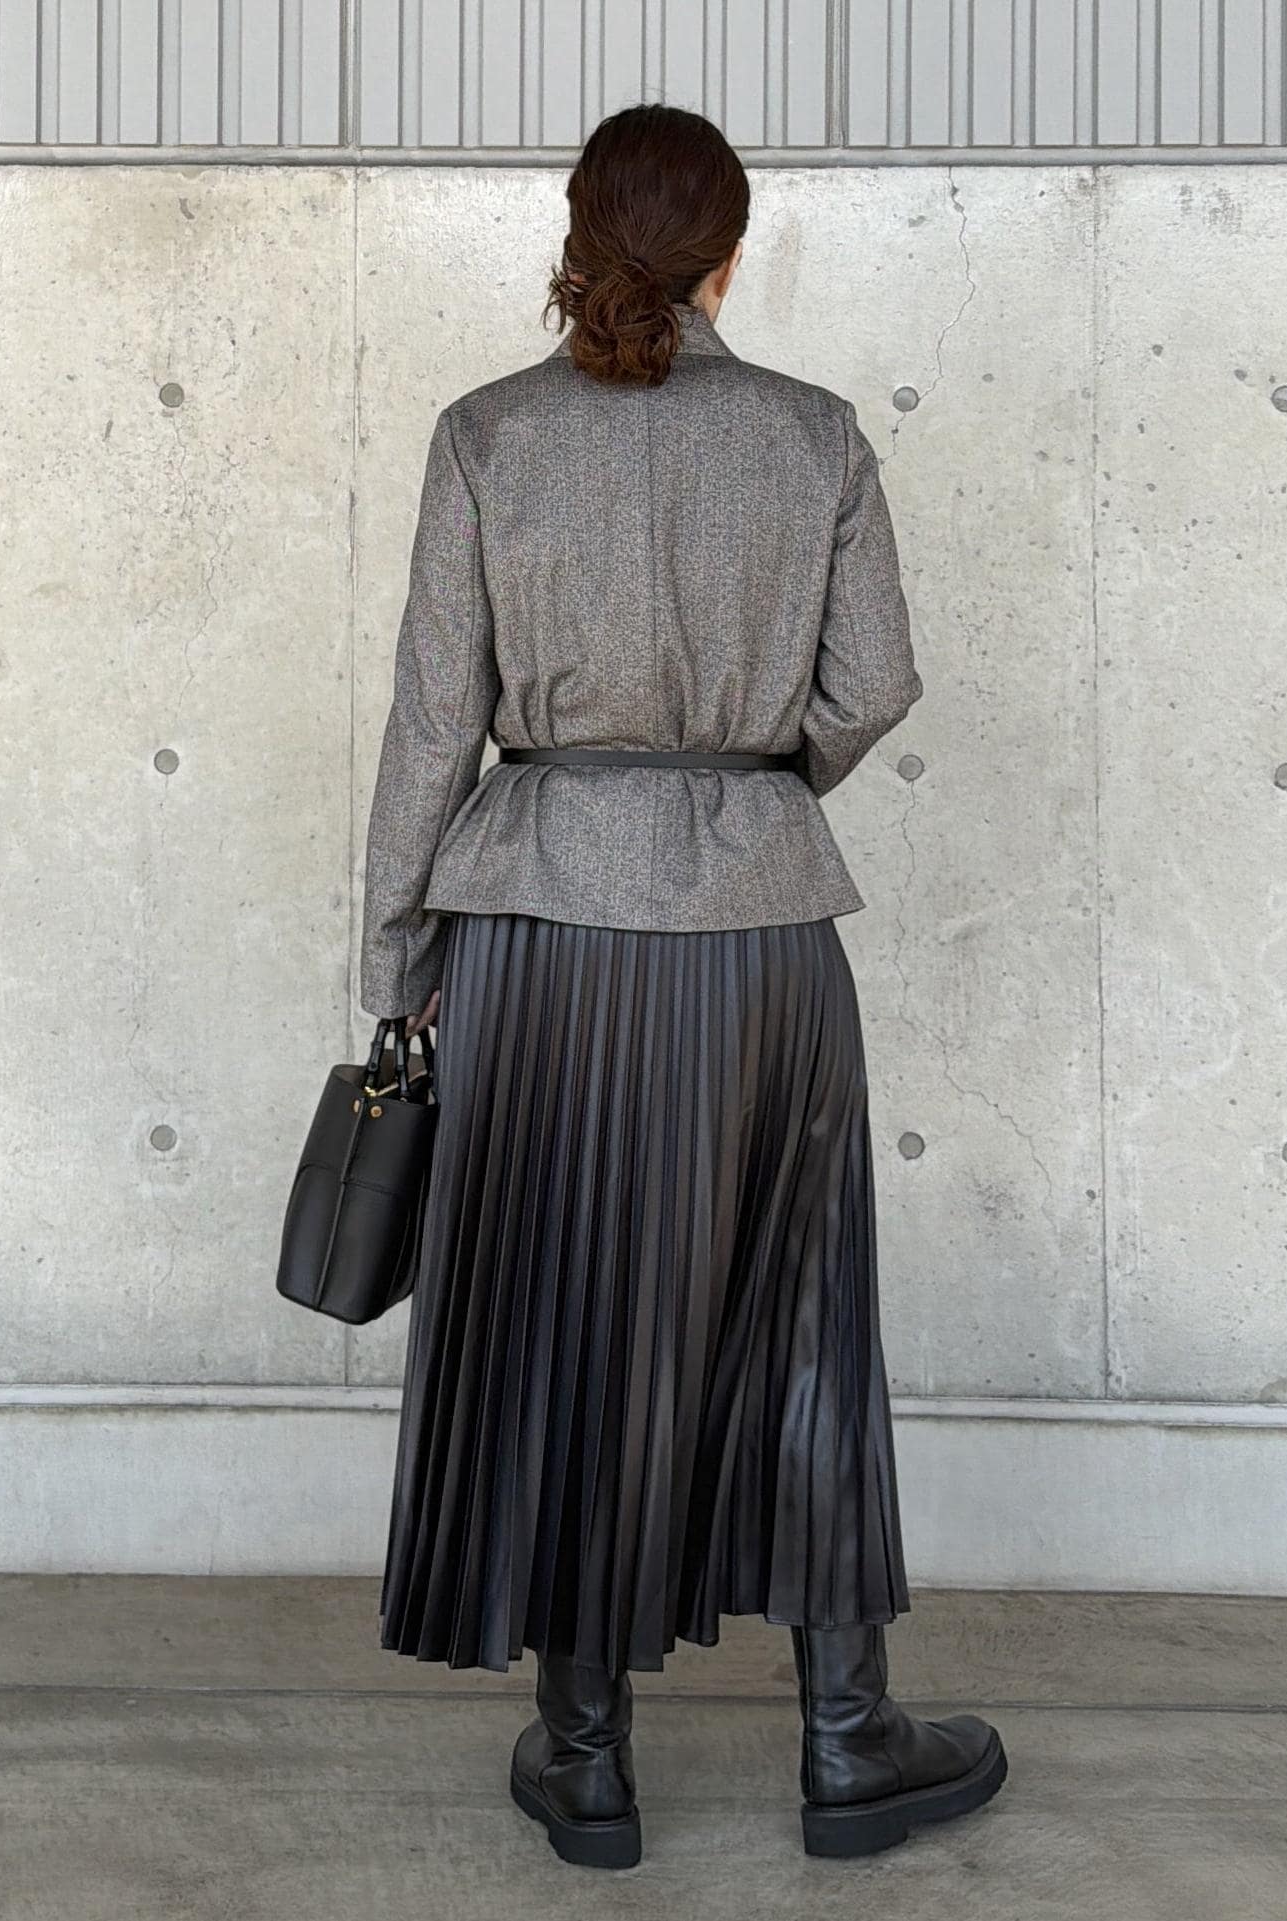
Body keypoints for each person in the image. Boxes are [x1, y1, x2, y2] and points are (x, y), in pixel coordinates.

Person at [358, 99, 1007, 1871]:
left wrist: (399, 960)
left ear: (581, 237)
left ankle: (585, 1757)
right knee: (802, 1314)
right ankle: (849, 1740)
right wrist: (757, 782)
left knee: (571, 1314)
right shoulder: (813, 436)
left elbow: (432, 724)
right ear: (730, 256)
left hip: (539, 941)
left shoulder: (488, 435)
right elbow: (873, 679)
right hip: (761, 942)